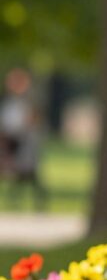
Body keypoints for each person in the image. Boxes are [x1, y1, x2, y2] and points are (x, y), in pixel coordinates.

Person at [0, 68, 47, 210]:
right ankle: (20, 200)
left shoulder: (29, 102)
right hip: (12, 141)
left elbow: (31, 123)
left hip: (24, 142)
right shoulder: (8, 102)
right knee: (24, 174)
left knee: (28, 173)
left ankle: (34, 202)